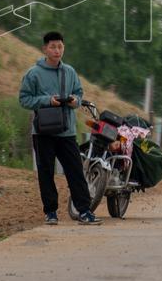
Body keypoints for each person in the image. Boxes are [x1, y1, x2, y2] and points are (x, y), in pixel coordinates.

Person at [19, 31, 102, 225]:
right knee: (46, 173)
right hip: (43, 132)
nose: (57, 50)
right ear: (45, 49)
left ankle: (84, 211)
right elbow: (24, 99)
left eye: (60, 46)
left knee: (75, 171)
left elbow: (79, 93)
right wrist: (48, 100)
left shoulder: (70, 72)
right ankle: (50, 212)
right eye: (53, 47)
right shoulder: (33, 74)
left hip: (67, 131)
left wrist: (75, 101)